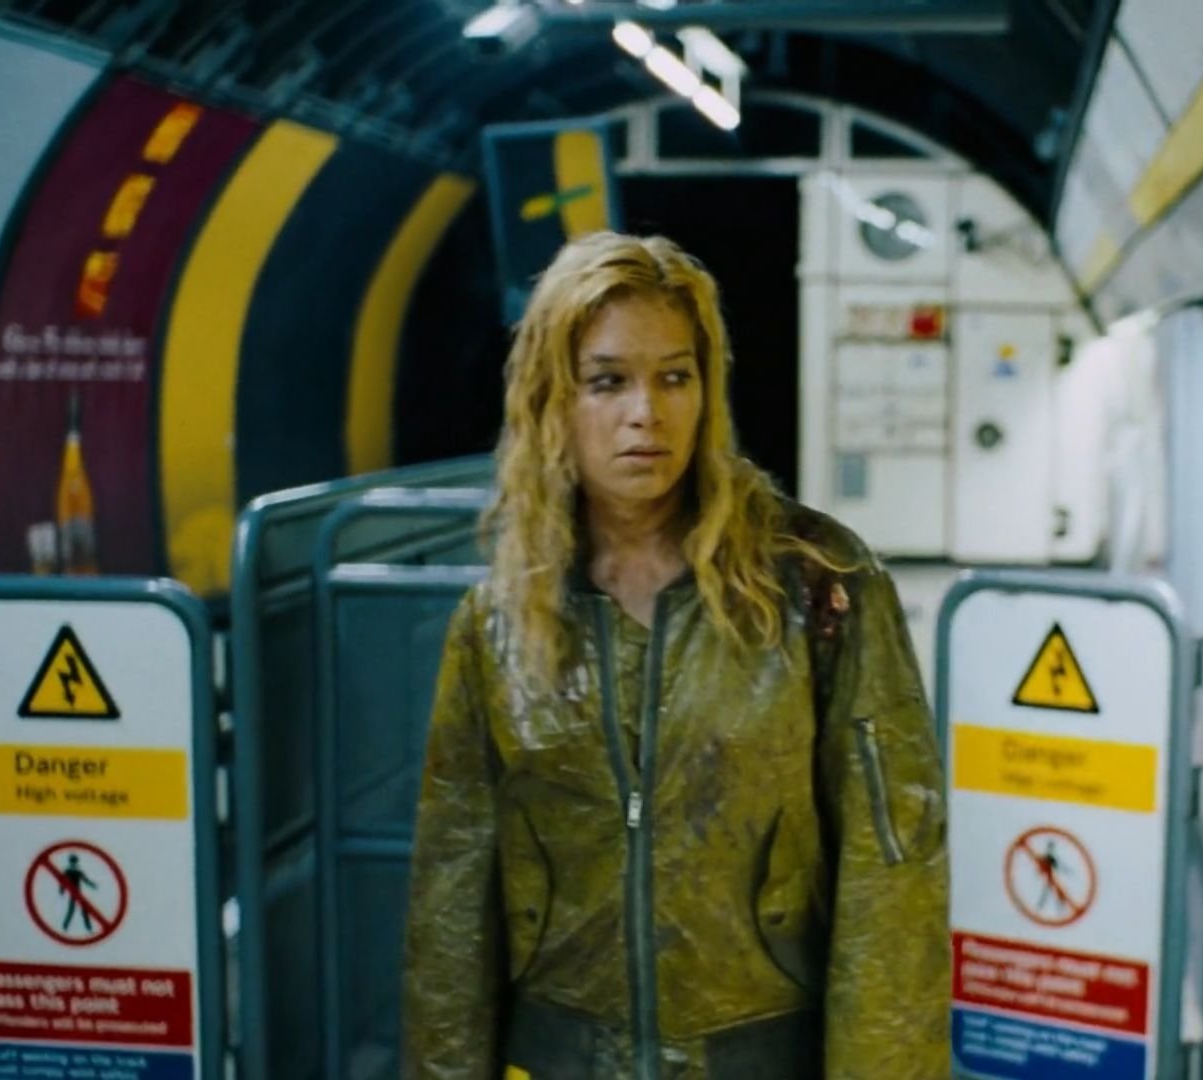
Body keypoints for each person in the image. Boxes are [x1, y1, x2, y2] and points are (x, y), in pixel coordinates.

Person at [401, 232, 950, 1080]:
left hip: (757, 1058)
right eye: (608, 381)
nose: (646, 414)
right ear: (553, 398)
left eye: (674, 377)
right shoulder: (499, 623)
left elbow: (893, 872)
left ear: (706, 391)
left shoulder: (815, 587)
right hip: (561, 1059)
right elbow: (452, 901)